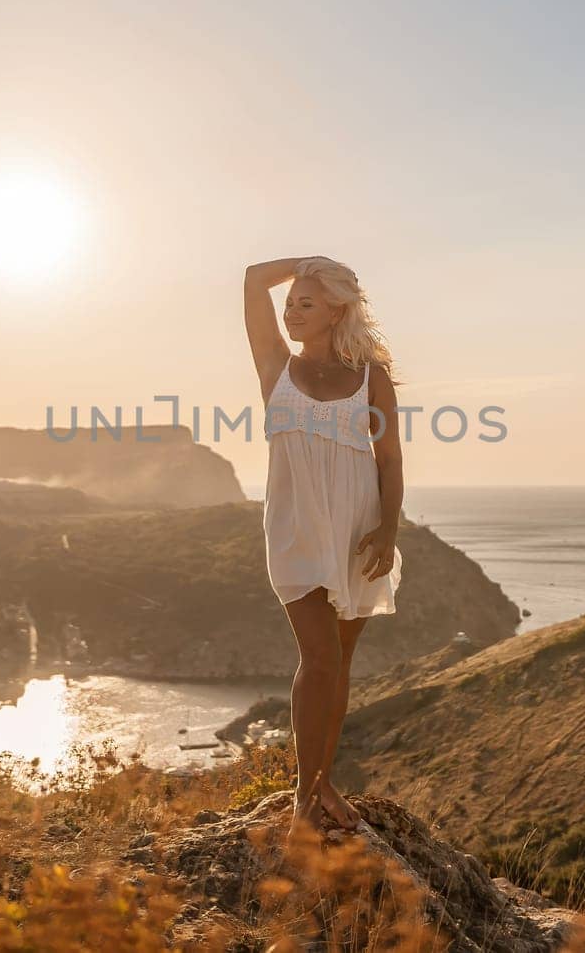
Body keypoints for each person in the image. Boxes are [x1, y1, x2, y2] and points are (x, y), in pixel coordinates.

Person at [243, 255, 405, 841]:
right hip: (294, 530)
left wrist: (387, 531)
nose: (291, 311)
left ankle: (321, 782)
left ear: (337, 308)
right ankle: (303, 800)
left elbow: (389, 460)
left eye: (306, 302)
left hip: (357, 529)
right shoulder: (275, 367)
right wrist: (307, 263)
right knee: (319, 658)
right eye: (291, 303)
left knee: (338, 665)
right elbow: (253, 278)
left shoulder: (370, 378)